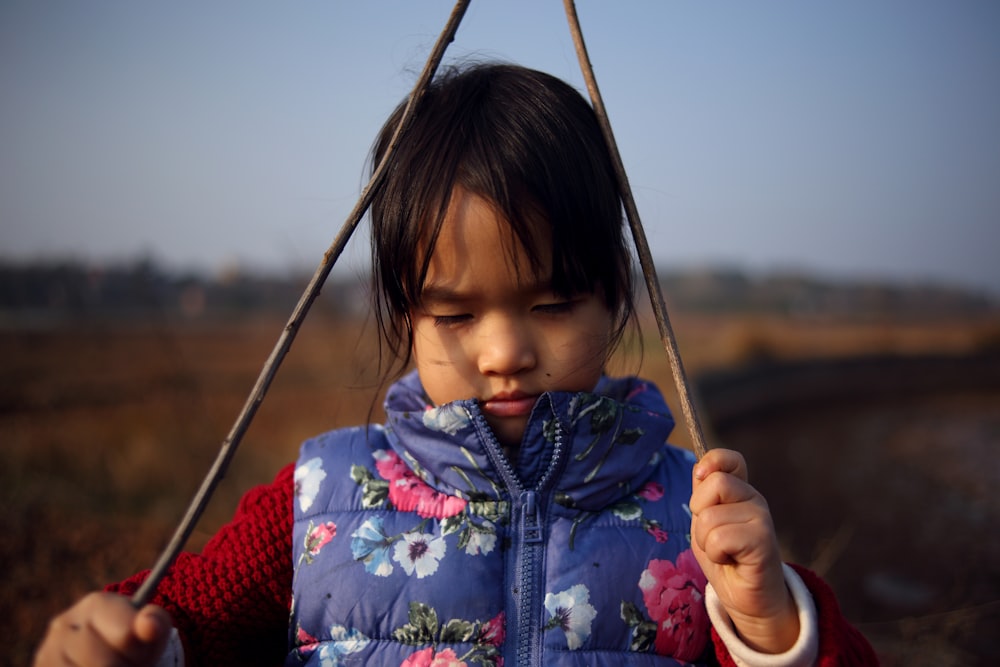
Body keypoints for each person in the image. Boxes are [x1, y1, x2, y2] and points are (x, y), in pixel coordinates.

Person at [34, 63, 877, 667]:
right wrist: (126, 638)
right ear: (405, 311)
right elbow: (187, 617)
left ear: (616, 294)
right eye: (456, 312)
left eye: (551, 305)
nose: (504, 352)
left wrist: (768, 626)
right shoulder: (320, 500)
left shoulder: (692, 516)